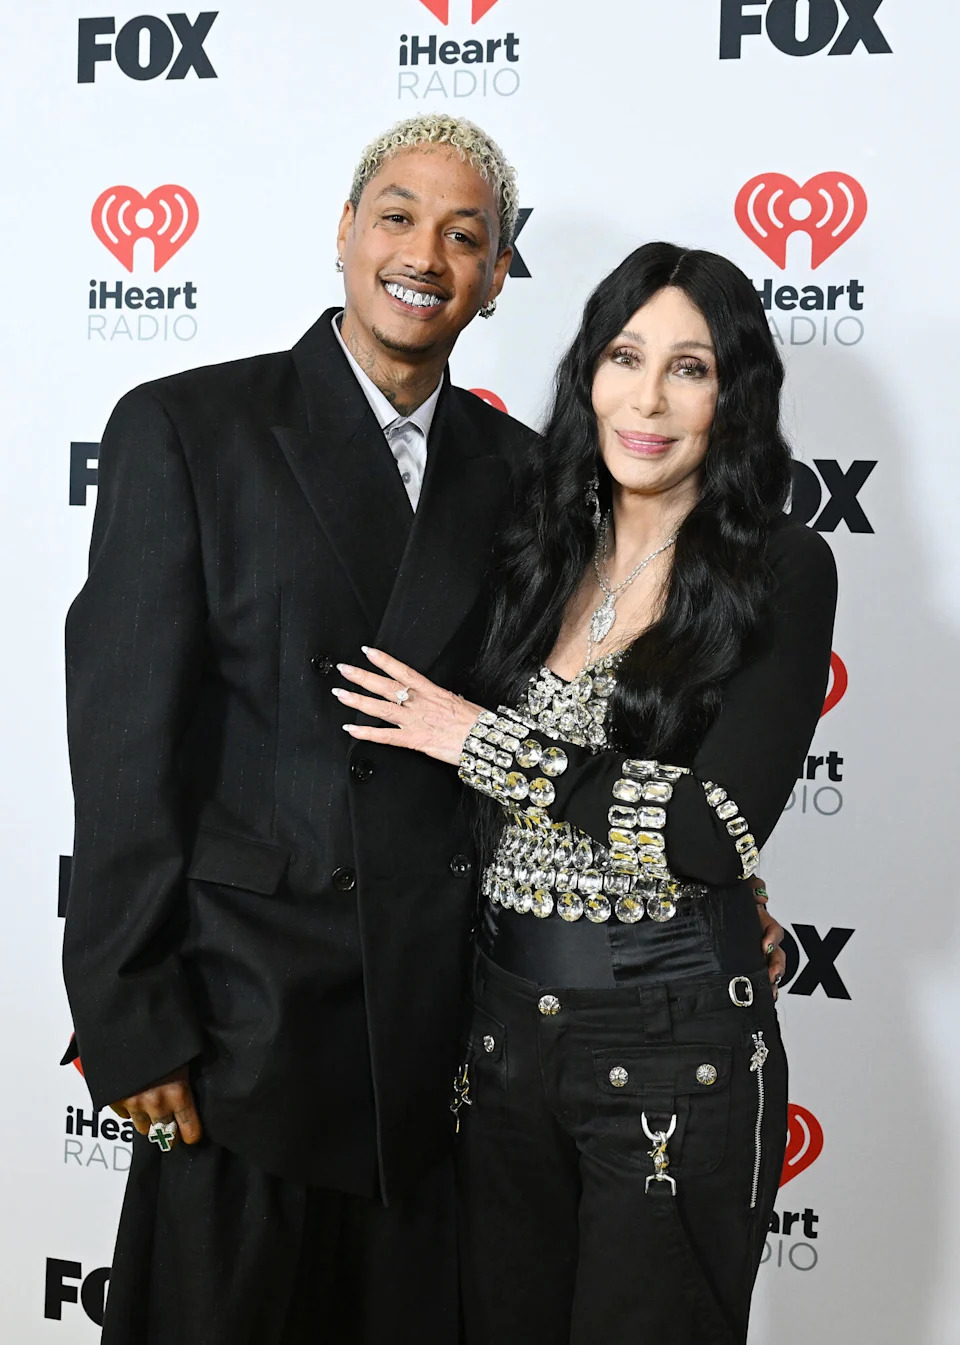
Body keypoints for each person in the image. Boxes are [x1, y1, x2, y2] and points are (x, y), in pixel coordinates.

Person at [61, 113, 537, 1345]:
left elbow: (551, 723)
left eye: (464, 234)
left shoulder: (529, 476)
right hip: (239, 1033)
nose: (425, 253)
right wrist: (128, 1017)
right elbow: (122, 750)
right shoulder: (188, 429)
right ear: (343, 231)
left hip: (439, 1044)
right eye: (397, 215)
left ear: (494, 275)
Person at [332, 241, 837, 1345]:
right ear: (588, 372)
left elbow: (711, 832)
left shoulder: (781, 569)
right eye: (624, 355)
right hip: (499, 1039)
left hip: (677, 1046)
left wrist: (480, 740)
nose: (647, 398)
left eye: (690, 368)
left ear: (735, 395)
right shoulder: (532, 547)